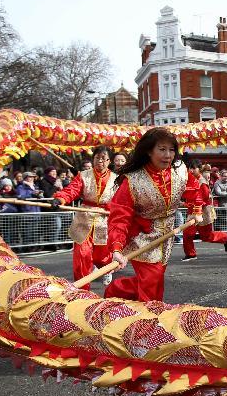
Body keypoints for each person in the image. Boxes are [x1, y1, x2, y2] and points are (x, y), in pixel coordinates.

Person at [105, 128, 203, 302]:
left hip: (166, 236)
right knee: (152, 280)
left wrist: (195, 211)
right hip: (141, 236)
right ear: (149, 151)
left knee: (154, 280)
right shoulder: (132, 180)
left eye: (171, 150)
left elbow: (195, 189)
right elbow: (120, 217)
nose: (168, 155)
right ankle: (149, 320)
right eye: (162, 149)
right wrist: (117, 248)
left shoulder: (179, 170)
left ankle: (117, 290)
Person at [52, 146, 118, 285]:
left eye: (103, 158)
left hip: (104, 219)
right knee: (82, 254)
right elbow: (72, 190)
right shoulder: (83, 175)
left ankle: (106, 270)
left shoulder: (115, 179)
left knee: (103, 256)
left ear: (108, 161)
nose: (100, 161)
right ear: (93, 159)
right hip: (84, 219)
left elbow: (120, 200)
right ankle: (82, 287)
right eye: (97, 158)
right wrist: (60, 198)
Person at [181, 160, 227, 262]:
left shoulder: (201, 182)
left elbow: (205, 198)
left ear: (199, 169)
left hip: (202, 212)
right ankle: (190, 254)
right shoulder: (191, 180)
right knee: (187, 234)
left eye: (193, 168)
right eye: (190, 168)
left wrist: (192, 205)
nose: (191, 170)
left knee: (206, 236)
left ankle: (225, 238)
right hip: (193, 211)